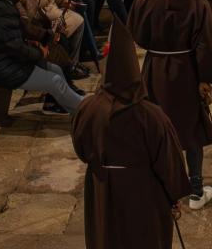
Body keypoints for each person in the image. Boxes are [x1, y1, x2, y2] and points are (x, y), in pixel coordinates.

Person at [71, 20, 192, 249]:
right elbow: (169, 161)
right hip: (142, 191)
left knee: (106, 237)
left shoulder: (88, 109)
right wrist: (174, 196)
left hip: (102, 188)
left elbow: (82, 148)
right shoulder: (151, 116)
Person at [128, 0, 212, 210]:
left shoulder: (145, 0)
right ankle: (194, 189)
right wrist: (205, 79)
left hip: (156, 69)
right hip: (186, 72)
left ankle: (162, 185)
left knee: (158, 127)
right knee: (190, 129)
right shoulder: (197, 3)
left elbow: (136, 33)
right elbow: (205, 45)